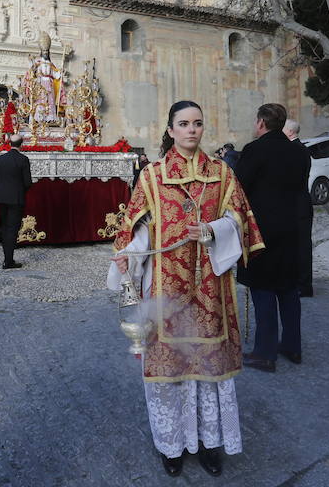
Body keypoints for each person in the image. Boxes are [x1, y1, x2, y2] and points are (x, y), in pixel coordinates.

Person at [109, 101, 264, 478]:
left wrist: (213, 231)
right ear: (171, 129)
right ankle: (171, 446)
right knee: (170, 373)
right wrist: (129, 255)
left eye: (197, 123)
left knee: (209, 372)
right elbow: (139, 229)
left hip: (212, 290)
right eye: (184, 124)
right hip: (165, 293)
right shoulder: (152, 176)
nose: (191, 130)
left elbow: (240, 220)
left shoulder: (222, 174)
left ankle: (211, 444)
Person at [235, 103, 309, 373]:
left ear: (261, 123)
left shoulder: (255, 150)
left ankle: (265, 353)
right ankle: (292, 346)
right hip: (291, 227)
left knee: (263, 289)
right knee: (288, 289)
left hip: (261, 229)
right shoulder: (299, 152)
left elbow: (239, 188)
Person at [0, 134, 32, 269]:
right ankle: (8, 261)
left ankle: (7, 258)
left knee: (5, 226)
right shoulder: (23, 159)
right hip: (16, 199)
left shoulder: (0, 159)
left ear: (9, 144)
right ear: (22, 144)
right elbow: (27, 182)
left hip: (2, 198)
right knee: (12, 229)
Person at [282, 119, 314, 297]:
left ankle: (303, 285)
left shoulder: (295, 150)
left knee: (301, 246)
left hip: (297, 204)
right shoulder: (298, 149)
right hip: (299, 202)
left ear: (290, 132)